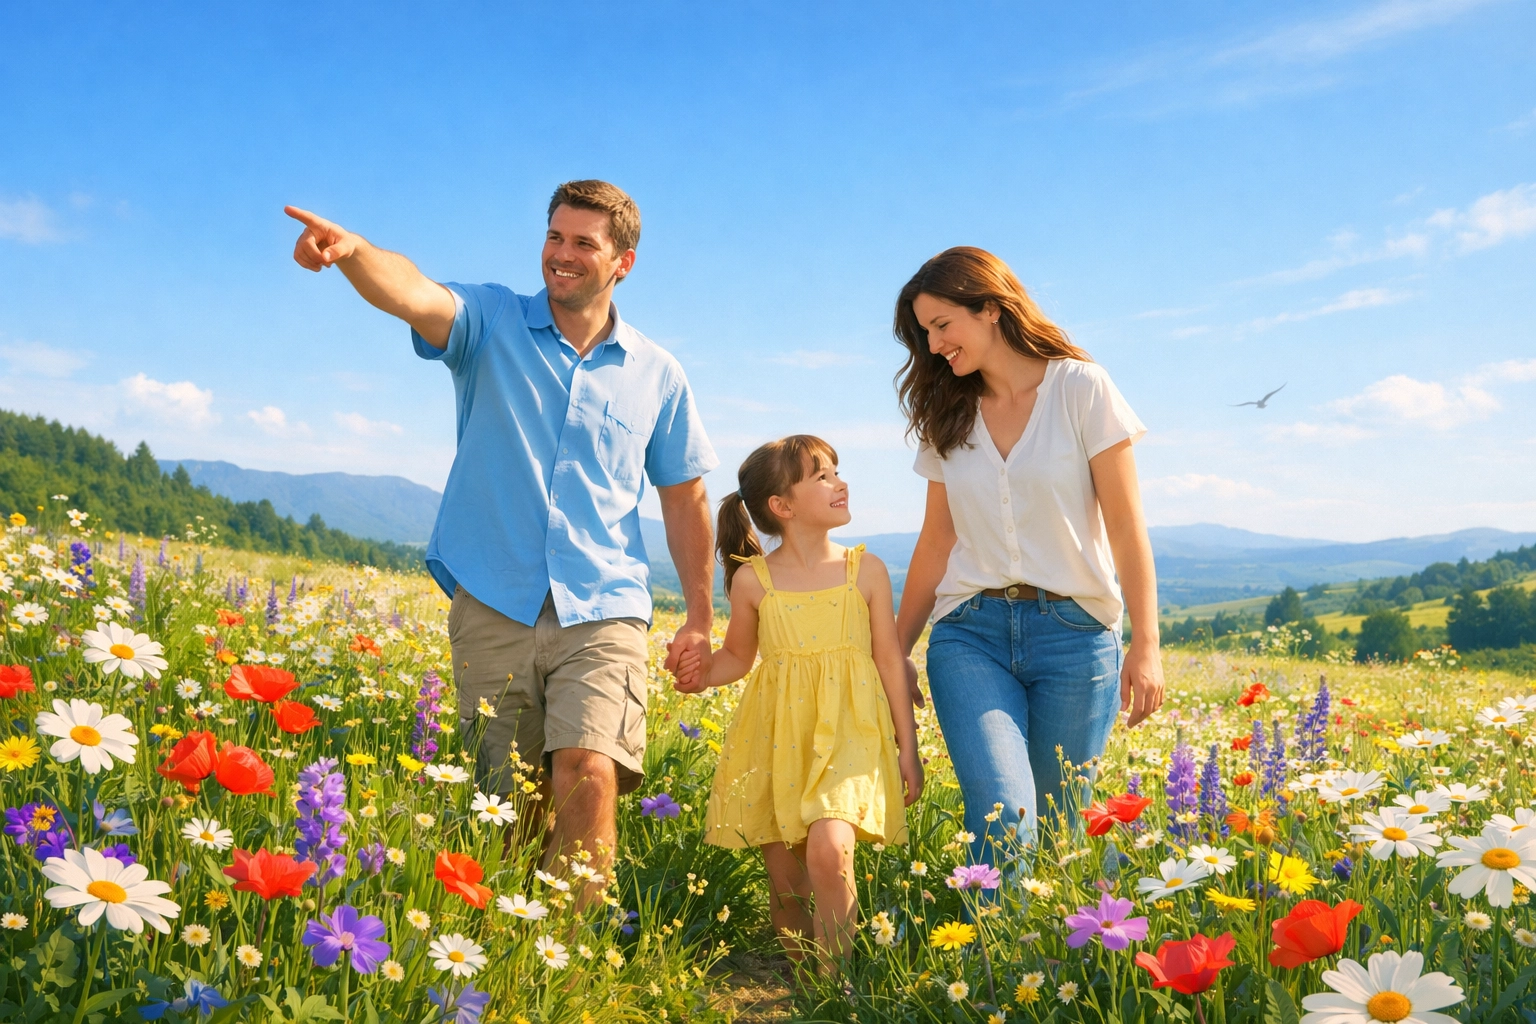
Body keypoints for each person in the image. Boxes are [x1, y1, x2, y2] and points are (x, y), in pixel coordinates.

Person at [284, 180, 718, 890]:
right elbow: (414, 293)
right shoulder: (490, 322)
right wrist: (355, 251)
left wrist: (700, 618)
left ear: (623, 263)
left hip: (603, 606)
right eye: (555, 237)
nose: (562, 255)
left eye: (584, 243)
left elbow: (686, 497)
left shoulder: (658, 375)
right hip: (493, 600)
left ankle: (573, 965)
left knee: (589, 773)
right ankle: (516, 956)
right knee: (504, 809)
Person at [891, 246, 1164, 870]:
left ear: (989, 308)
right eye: (924, 333)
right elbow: (937, 541)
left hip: (1076, 638)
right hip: (969, 635)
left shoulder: (1080, 388)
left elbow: (1126, 526)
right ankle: (984, 968)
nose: (933, 347)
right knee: (1004, 814)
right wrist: (896, 652)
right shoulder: (947, 410)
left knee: (1059, 828)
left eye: (941, 326)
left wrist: (1146, 643)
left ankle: (1031, 966)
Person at [673, 436, 923, 966]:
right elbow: (738, 658)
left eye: (836, 471)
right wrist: (701, 672)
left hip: (852, 733)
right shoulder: (753, 580)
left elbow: (888, 663)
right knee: (787, 885)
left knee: (831, 853)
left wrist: (909, 745)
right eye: (822, 476)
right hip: (778, 737)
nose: (840, 482)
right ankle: (807, 988)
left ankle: (837, 993)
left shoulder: (867, 570)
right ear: (781, 507)